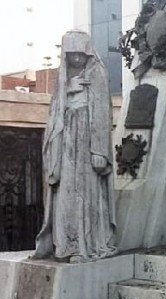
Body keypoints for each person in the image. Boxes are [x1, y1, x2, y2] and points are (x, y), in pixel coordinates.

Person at [32, 31, 116, 262]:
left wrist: (99, 151)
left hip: (87, 143)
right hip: (66, 142)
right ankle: (65, 245)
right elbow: (54, 113)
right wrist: (68, 88)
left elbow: (102, 114)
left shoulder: (97, 73)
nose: (76, 58)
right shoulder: (63, 77)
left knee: (85, 194)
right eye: (72, 54)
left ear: (87, 52)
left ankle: (83, 245)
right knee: (66, 194)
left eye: (80, 53)